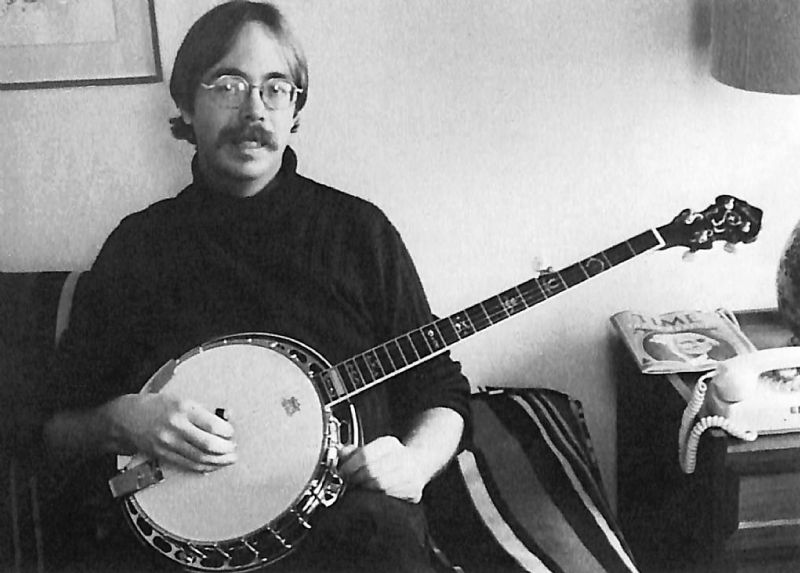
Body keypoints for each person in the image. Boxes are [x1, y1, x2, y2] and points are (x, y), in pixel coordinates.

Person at [39, 2, 471, 571]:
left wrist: (412, 464)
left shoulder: (359, 232)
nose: (254, 110)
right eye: (228, 85)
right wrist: (120, 421)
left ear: (294, 110)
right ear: (187, 104)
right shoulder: (138, 247)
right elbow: (53, 430)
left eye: (276, 88)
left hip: (346, 535)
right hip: (175, 549)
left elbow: (441, 390)